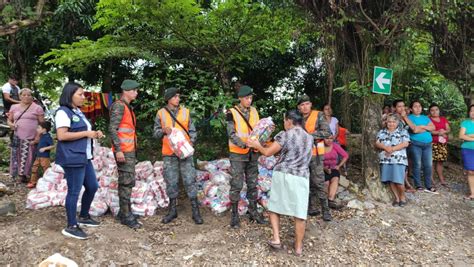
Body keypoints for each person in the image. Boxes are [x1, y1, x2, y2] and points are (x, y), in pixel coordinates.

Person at [247, 110, 314, 256]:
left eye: (285, 120)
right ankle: (298, 247)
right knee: (300, 214)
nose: (284, 124)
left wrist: (257, 144)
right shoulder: (309, 137)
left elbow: (267, 152)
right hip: (302, 177)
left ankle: (277, 239)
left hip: (284, 174)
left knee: (274, 208)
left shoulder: (285, 135)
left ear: (289, 120)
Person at [55, 82, 104, 240]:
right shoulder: (63, 112)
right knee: (74, 191)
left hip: (84, 156)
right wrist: (86, 134)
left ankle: (83, 216)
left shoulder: (78, 111)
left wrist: (94, 133)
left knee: (92, 186)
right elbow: (62, 135)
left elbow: (84, 132)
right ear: (70, 95)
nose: (84, 97)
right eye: (80, 94)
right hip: (72, 157)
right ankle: (71, 225)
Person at [153, 87, 203, 225]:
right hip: (169, 154)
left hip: (185, 153)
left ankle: (195, 211)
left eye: (178, 96)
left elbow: (193, 131)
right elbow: (155, 133)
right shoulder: (161, 113)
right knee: (171, 181)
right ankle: (172, 211)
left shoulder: (186, 112)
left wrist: (191, 143)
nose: (178, 99)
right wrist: (163, 130)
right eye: (175, 97)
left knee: (190, 181)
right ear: (168, 99)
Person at [226, 85, 266, 228]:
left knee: (252, 183)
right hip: (238, 154)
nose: (249, 100)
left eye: (251, 98)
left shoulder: (254, 111)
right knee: (236, 184)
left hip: (252, 154)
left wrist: (261, 141)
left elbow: (259, 130)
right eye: (247, 98)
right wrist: (244, 144)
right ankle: (235, 215)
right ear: (240, 99)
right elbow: (231, 134)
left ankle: (253, 211)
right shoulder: (231, 113)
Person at [109, 79, 141, 229]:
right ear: (126, 91)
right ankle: (126, 216)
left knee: (127, 181)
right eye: (134, 90)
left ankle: (125, 212)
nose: (136, 92)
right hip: (124, 151)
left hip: (129, 150)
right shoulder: (119, 106)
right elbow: (113, 129)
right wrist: (119, 150)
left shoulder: (127, 107)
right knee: (126, 182)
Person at [297, 95, 332, 221]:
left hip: (316, 154)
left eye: (307, 104)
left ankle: (326, 210)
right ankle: (311, 208)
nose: (305, 107)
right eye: (302, 105)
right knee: (305, 181)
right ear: (299, 107)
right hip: (301, 156)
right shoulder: (297, 118)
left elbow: (327, 132)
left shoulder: (319, 115)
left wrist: (308, 135)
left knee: (319, 182)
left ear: (311, 104)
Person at [7, 88, 44, 183]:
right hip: (17, 136)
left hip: (31, 137)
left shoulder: (37, 107)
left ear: (32, 97)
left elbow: (42, 124)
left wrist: (38, 136)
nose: (26, 97)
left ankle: (26, 175)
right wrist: (11, 125)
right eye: (24, 95)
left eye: (29, 95)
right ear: (20, 96)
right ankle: (18, 175)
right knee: (17, 155)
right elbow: (9, 120)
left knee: (28, 156)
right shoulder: (14, 107)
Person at [376, 114, 410, 206]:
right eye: (389, 122)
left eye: (393, 122)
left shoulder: (403, 131)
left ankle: (403, 197)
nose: (391, 124)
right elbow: (377, 143)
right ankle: (397, 198)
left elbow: (405, 143)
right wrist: (385, 147)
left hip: (399, 159)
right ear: (386, 122)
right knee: (390, 180)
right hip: (386, 159)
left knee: (399, 180)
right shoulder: (382, 132)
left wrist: (391, 149)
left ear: (397, 122)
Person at [407, 100, 436, 193]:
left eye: (419, 106)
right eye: (415, 106)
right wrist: (426, 128)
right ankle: (418, 185)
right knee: (417, 164)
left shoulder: (425, 117)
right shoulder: (408, 117)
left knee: (428, 165)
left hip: (428, 144)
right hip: (415, 144)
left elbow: (433, 128)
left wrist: (422, 126)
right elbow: (414, 130)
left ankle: (428, 185)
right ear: (411, 109)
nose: (418, 108)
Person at [392, 99, 416, 193]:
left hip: (405, 145)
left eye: (403, 106)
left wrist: (405, 117)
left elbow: (413, 128)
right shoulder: (392, 117)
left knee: (405, 165)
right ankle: (402, 185)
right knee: (398, 165)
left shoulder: (405, 117)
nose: (402, 108)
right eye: (399, 106)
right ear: (394, 108)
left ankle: (405, 183)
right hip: (396, 145)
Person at [323, 136, 348, 209]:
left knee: (335, 179)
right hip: (321, 168)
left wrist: (339, 166)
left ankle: (330, 200)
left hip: (333, 168)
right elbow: (315, 160)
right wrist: (324, 168)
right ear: (323, 138)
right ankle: (324, 202)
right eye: (327, 138)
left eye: (331, 138)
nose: (329, 140)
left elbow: (345, 156)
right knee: (326, 183)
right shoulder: (319, 146)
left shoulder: (335, 145)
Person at [428, 103, 450, 187]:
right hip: (433, 143)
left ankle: (441, 179)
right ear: (430, 112)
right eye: (432, 110)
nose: (434, 112)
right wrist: (439, 133)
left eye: (436, 110)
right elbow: (429, 131)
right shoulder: (428, 119)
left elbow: (448, 129)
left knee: (440, 162)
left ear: (439, 110)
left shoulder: (443, 119)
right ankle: (431, 179)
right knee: (432, 162)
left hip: (442, 143)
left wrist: (444, 131)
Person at [27, 121, 54, 188]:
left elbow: (52, 146)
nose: (37, 129)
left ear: (44, 129)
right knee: (34, 168)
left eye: (39, 128)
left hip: (45, 157)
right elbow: (41, 142)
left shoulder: (48, 137)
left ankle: (47, 182)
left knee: (46, 169)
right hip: (38, 156)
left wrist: (45, 148)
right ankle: (33, 182)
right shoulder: (41, 136)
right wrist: (34, 142)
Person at [459, 105, 474, 201]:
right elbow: (461, 136)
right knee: (470, 171)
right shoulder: (465, 123)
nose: (473, 112)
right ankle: (473, 193)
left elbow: (465, 136)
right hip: (467, 149)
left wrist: (469, 135)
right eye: (471, 110)